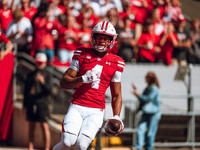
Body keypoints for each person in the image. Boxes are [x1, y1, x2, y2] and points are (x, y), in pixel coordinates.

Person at [52, 21, 125, 150]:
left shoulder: (117, 62)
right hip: (77, 106)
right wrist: (82, 79)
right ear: (93, 38)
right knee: (68, 142)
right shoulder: (82, 53)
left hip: (96, 110)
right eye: (99, 38)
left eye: (105, 38)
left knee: (82, 145)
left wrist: (116, 116)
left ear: (111, 41)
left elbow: (117, 94)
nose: (102, 41)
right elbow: (63, 83)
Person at [23, 53, 52, 150]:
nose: (39, 65)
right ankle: (30, 146)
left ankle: (46, 148)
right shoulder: (31, 74)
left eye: (41, 63)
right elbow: (26, 90)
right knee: (31, 125)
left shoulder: (47, 75)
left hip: (43, 103)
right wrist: (25, 104)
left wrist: (42, 82)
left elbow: (49, 90)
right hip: (32, 103)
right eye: (38, 63)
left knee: (44, 125)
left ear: (45, 63)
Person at [132, 71, 161, 150]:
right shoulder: (148, 87)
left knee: (150, 133)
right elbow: (143, 98)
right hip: (146, 112)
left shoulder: (154, 88)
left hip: (153, 113)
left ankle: (149, 148)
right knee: (140, 130)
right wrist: (136, 91)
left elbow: (148, 98)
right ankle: (138, 147)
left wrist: (138, 94)